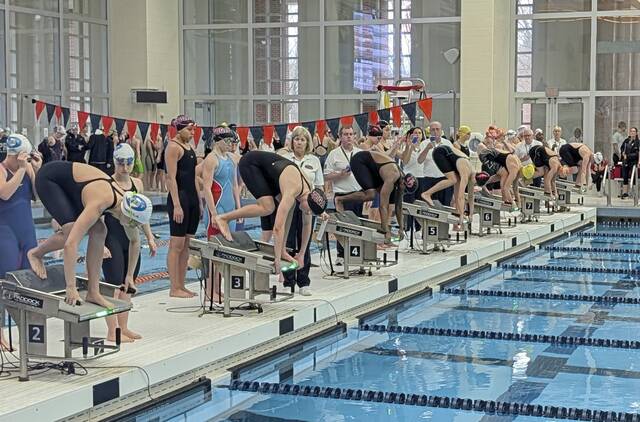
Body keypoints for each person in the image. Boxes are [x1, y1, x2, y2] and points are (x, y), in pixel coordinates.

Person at [26, 160, 153, 307]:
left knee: (100, 230)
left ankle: (93, 292)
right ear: (128, 216)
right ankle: (36, 253)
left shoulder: (126, 206)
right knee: (71, 232)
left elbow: (135, 241)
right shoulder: (101, 201)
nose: (135, 227)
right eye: (135, 223)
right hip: (51, 180)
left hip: (75, 189)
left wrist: (129, 276)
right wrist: (71, 287)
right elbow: (70, 245)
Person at [212, 151, 328, 277]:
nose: (308, 213)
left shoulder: (308, 194)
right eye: (309, 210)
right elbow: (278, 228)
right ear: (307, 200)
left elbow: (307, 225)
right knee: (268, 207)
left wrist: (301, 253)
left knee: (290, 207)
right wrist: (277, 259)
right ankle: (223, 218)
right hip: (251, 164)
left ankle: (283, 250)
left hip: (269, 174)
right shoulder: (293, 189)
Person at [102, 144, 157, 342]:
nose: (125, 167)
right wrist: (101, 245)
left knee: (128, 284)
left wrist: (149, 237)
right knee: (114, 287)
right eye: (121, 163)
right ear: (115, 162)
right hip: (111, 238)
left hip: (132, 240)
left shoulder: (137, 184)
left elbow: (144, 213)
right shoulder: (106, 183)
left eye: (128, 162)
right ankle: (112, 331)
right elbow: (98, 217)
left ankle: (123, 328)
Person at [334, 150, 412, 244]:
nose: (403, 192)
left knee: (377, 193)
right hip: (360, 161)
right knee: (371, 194)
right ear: (403, 182)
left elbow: (399, 207)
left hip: (373, 168)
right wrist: (386, 231)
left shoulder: (401, 181)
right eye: (405, 190)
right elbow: (383, 206)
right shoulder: (393, 176)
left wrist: (401, 228)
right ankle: (339, 199)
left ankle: (384, 229)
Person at [280, 126, 324, 295]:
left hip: (307, 205)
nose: (299, 142)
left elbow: (319, 187)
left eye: (302, 139)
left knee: (304, 242)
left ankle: (303, 281)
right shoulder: (285, 158)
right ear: (292, 142)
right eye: (296, 139)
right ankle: (288, 280)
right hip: (289, 205)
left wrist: (319, 209)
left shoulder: (314, 161)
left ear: (307, 143)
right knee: (288, 242)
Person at [165, 115, 201, 298]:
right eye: (190, 130)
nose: (193, 133)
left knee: (187, 245)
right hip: (179, 200)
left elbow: (194, 177)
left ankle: (182, 285)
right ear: (179, 129)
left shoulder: (189, 147)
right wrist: (177, 205)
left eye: (193, 129)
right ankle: (174, 287)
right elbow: (170, 179)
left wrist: (199, 202)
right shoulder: (173, 147)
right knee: (176, 245)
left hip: (192, 200)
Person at [0, 134, 41, 278]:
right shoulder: (1, 170)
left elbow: (37, 196)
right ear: (20, 154)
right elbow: (5, 194)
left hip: (27, 229)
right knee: (7, 271)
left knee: (30, 271)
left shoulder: (28, 167)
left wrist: (36, 170)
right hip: (5, 230)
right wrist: (21, 170)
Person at [323, 125, 362, 265]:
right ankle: (341, 254)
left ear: (355, 136)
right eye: (345, 134)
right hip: (341, 196)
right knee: (342, 226)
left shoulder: (360, 153)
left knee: (358, 226)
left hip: (358, 194)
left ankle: (357, 253)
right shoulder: (334, 154)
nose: (349, 137)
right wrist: (340, 174)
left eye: (351, 134)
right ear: (340, 137)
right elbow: (326, 176)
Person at [421, 145, 475, 230]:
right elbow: (461, 197)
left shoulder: (472, 177)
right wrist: (461, 215)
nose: (474, 185)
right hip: (440, 152)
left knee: (456, 181)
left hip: (450, 157)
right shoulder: (466, 172)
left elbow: (471, 196)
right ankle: (427, 194)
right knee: (453, 180)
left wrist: (471, 214)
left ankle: (458, 210)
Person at [417, 121, 454, 207]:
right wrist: (427, 149)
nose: (435, 132)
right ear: (429, 131)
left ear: (441, 131)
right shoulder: (424, 143)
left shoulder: (447, 143)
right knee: (429, 207)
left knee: (445, 205)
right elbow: (419, 161)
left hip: (444, 179)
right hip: (428, 179)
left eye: (437, 129)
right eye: (433, 130)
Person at [620, 127, 639, 199]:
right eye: (631, 131)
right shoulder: (626, 141)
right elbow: (622, 148)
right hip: (625, 161)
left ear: (636, 133)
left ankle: (634, 193)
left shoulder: (638, 142)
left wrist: (627, 156)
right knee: (625, 176)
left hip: (633, 162)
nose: (632, 132)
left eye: (634, 131)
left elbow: (637, 154)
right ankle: (625, 193)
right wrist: (622, 153)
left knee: (633, 177)